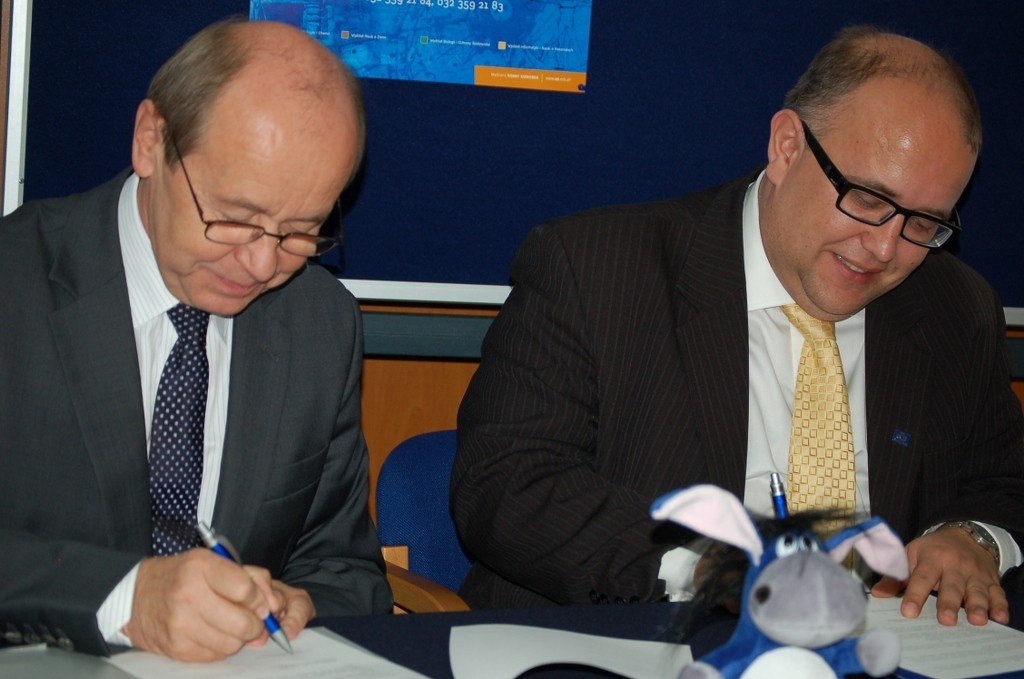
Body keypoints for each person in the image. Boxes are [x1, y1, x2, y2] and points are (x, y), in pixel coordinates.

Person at [452, 26, 1024, 628]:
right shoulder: (594, 269)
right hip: (639, 641)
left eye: (924, 224)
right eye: (867, 199)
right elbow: (506, 483)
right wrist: (708, 569)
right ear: (787, 147)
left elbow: (1005, 483)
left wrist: (975, 539)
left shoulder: (957, 309)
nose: (885, 248)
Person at [0, 18, 392, 661]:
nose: (262, 265)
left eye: (301, 231)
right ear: (151, 141)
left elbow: (344, 571)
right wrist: (126, 599)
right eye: (235, 218)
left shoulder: (320, 325)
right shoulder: (14, 284)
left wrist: (300, 604)